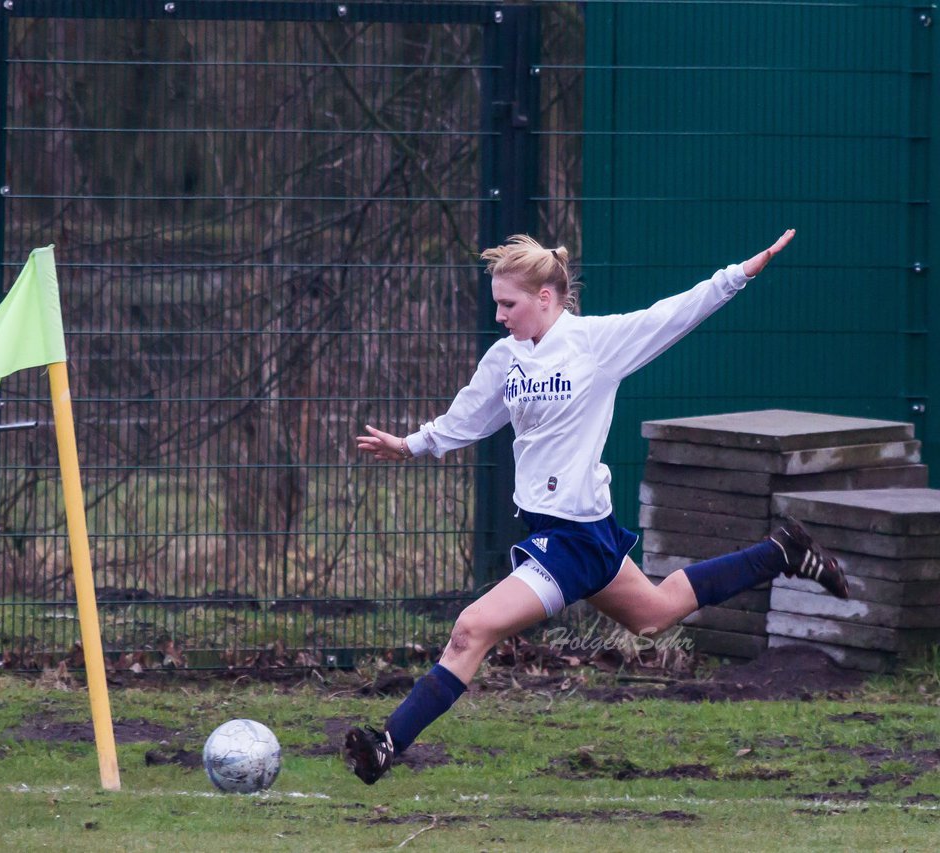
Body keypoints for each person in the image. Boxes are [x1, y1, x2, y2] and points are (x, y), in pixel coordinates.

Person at [344, 229, 849, 785]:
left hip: (572, 538)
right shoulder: (504, 358)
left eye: (508, 304)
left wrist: (737, 275)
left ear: (545, 298)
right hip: (572, 531)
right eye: (496, 304)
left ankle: (387, 742)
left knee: (470, 629)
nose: (500, 316)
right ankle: (782, 551)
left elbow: (671, 315)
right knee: (655, 614)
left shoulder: (594, 344)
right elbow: (469, 418)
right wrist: (411, 444)